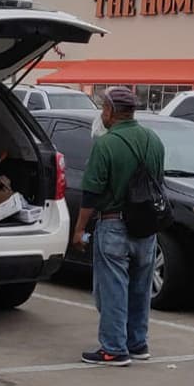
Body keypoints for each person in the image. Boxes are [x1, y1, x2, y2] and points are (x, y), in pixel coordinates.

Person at [72, 86, 164, 367]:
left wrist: (79, 229)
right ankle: (137, 343)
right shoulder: (154, 140)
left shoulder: (106, 144)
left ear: (111, 111)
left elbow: (91, 192)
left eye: (104, 109)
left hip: (114, 225)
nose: (102, 114)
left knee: (113, 289)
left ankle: (113, 348)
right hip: (147, 226)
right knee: (140, 287)